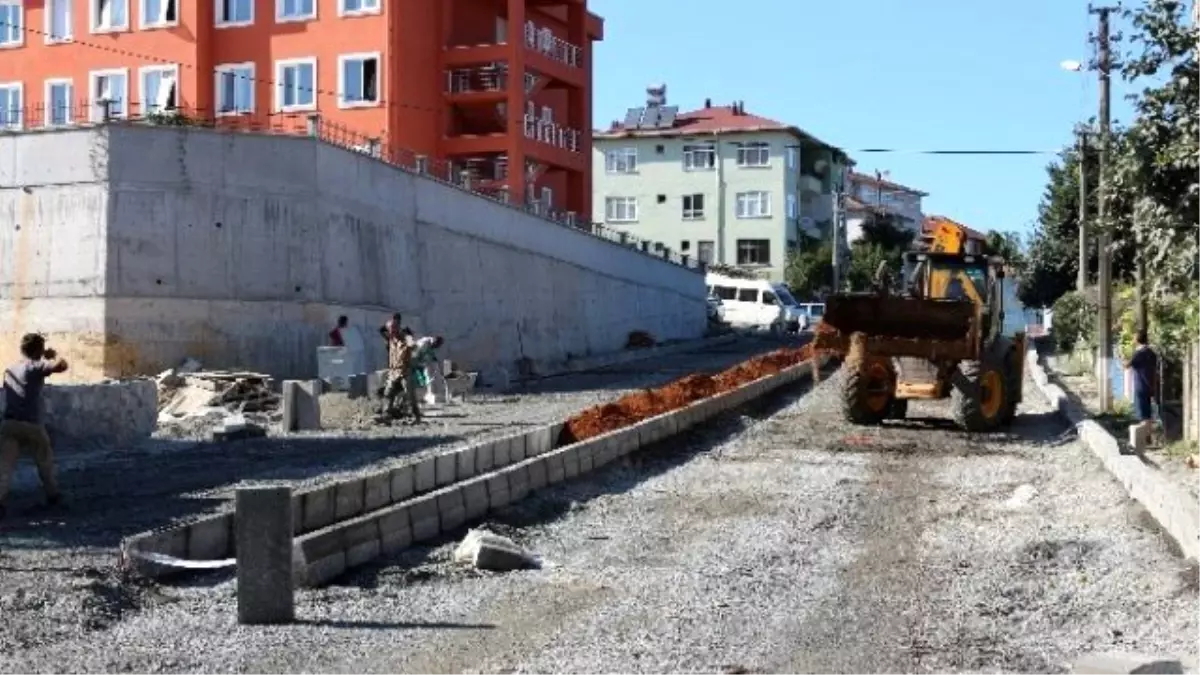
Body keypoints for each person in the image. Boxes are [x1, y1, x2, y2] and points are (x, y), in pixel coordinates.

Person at [0, 334, 69, 520]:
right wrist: (52, 355)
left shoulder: (10, 369)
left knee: (5, 466)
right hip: (32, 424)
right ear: (38, 350)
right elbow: (62, 365)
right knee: (44, 461)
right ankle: (53, 495)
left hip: (9, 423)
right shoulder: (35, 367)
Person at [1126, 328, 1159, 443]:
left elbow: (1127, 365)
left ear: (1137, 339)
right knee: (1148, 412)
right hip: (1150, 385)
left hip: (1140, 386)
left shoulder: (1139, 353)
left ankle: (1145, 439)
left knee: (1143, 414)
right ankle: (1149, 437)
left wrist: (1125, 358)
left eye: (1134, 337)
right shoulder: (1152, 353)